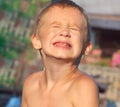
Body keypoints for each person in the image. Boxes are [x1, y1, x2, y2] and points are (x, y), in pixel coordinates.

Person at [21, 0, 99, 107]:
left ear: (86, 47)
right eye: (56, 26)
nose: (65, 33)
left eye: (73, 29)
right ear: (37, 40)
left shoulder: (83, 87)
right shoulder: (31, 84)